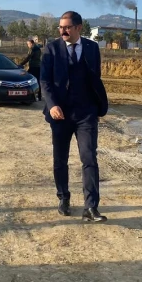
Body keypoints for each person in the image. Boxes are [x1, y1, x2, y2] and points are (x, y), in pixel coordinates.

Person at [40, 11, 109, 222]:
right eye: (60, 27)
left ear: (79, 28)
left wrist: (96, 107)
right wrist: (52, 105)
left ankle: (91, 207)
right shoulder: (51, 49)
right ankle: (63, 197)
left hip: (85, 113)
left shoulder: (92, 48)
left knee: (89, 158)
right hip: (60, 114)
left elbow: (95, 77)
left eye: (67, 27)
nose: (63, 31)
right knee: (60, 159)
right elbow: (45, 81)